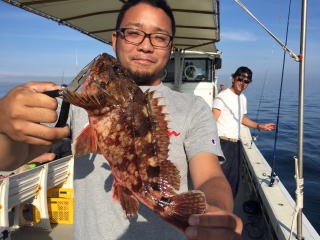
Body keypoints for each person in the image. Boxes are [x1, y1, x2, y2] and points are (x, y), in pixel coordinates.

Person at [0, 0, 242, 239]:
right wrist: (5, 127)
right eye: (134, 33)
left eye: (159, 37)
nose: (146, 46)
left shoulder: (194, 107)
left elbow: (210, 175)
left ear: (170, 48)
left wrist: (216, 212)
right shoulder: (73, 105)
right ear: (115, 39)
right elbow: (12, 158)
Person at [212, 66, 276, 198]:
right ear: (233, 78)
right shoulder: (222, 97)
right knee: (219, 181)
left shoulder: (243, 98)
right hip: (222, 143)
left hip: (236, 145)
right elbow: (211, 122)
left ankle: (227, 211)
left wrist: (259, 126)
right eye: (240, 79)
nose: (242, 83)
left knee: (233, 181)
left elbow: (241, 118)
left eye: (246, 81)